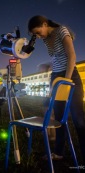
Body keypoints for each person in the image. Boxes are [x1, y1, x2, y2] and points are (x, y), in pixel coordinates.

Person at [27, 15, 85, 161]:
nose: (38, 37)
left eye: (38, 32)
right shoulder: (46, 39)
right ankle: (58, 153)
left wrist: (66, 79)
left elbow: (71, 56)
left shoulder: (61, 31)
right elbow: (57, 57)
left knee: (79, 119)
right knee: (59, 119)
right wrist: (47, 66)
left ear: (45, 24)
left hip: (70, 76)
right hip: (56, 76)